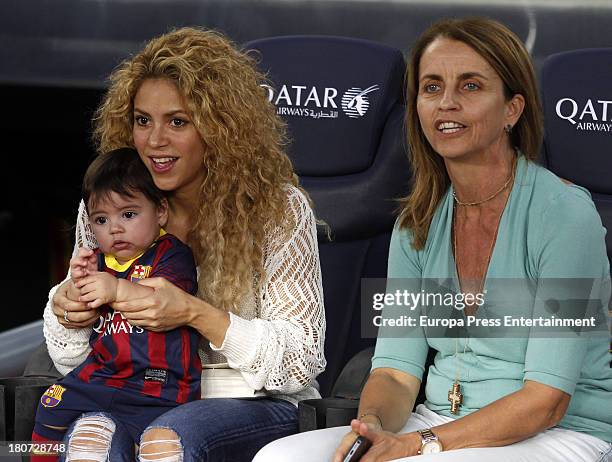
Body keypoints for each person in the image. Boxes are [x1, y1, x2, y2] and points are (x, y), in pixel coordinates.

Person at [253, 17, 612, 462]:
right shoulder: (415, 224)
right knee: (280, 457)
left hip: (558, 431)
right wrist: (375, 429)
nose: (446, 103)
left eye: (471, 87)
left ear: (512, 110)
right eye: (431, 87)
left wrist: (418, 444)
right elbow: (396, 372)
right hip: (439, 422)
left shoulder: (565, 215)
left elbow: (547, 400)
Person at [43, 27, 326, 462]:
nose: (154, 141)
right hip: (130, 391)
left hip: (249, 400)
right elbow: (72, 360)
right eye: (143, 120)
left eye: (178, 121)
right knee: (89, 440)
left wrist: (195, 313)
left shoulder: (277, 208)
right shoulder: (111, 209)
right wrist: (68, 312)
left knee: (166, 440)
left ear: (220, 128)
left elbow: (300, 360)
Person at [33, 147, 200, 460]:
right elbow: (76, 314)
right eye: (101, 219)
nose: (115, 228)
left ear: (160, 212)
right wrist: (77, 285)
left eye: (129, 214)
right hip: (103, 376)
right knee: (49, 404)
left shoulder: (171, 255)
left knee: (155, 446)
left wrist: (114, 289)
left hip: (157, 384)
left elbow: (164, 299)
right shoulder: (97, 260)